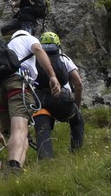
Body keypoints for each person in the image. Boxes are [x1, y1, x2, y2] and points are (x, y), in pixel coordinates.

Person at [0, 22, 61, 171]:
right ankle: (14, 167)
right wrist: (52, 76)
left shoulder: (6, 48)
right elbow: (37, 49)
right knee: (20, 129)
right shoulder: (29, 39)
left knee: (21, 135)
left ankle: (17, 169)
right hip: (17, 84)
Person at [32, 31, 86, 159]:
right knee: (77, 121)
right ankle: (76, 153)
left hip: (38, 99)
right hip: (59, 98)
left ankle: (45, 161)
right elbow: (78, 83)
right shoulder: (64, 58)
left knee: (42, 129)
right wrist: (76, 106)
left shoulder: (35, 59)